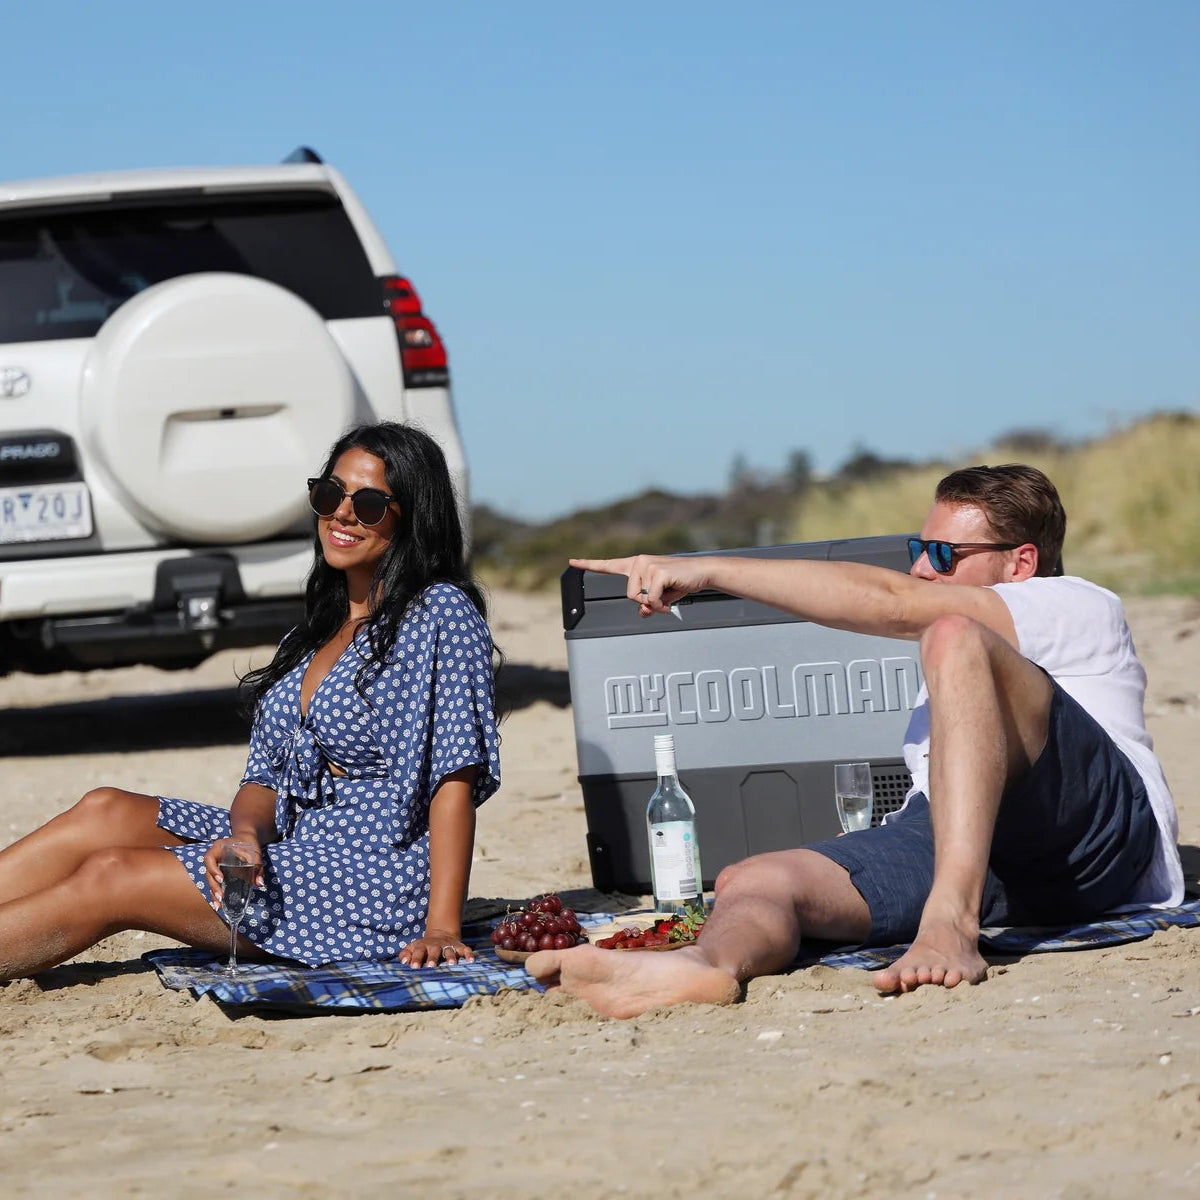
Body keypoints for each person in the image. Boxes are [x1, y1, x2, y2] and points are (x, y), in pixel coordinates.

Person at [526, 464, 1182, 1017]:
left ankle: (949, 927)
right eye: (920, 549)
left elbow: (892, 604)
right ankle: (706, 966)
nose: (925, 567)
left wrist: (706, 571)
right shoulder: (966, 632)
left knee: (951, 633)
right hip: (974, 847)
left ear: (1022, 562)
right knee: (756, 879)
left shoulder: (1076, 603)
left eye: (947, 555)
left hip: (1095, 836)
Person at [0, 422, 500, 981]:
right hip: (287, 846)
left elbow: (454, 777)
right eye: (331, 494)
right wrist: (242, 838)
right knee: (105, 810)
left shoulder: (439, 614)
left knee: (112, 874)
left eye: (370, 503)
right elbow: (263, 779)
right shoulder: (309, 637)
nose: (342, 514)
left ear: (413, 516)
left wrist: (442, 927)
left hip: (369, 886)